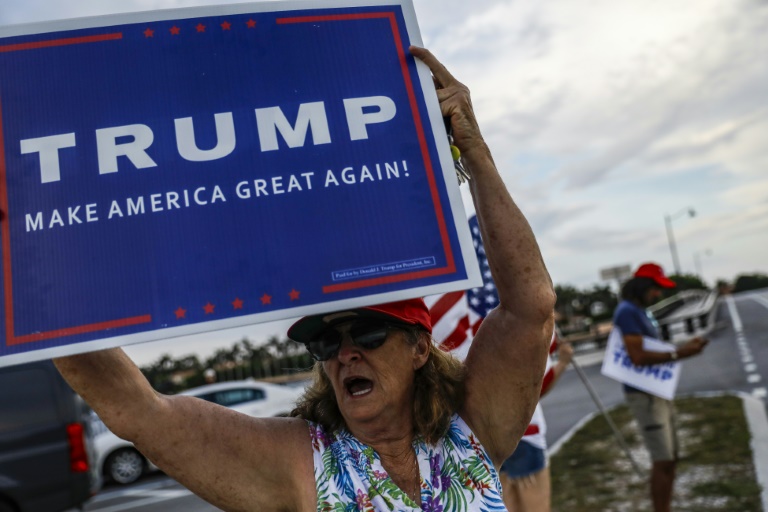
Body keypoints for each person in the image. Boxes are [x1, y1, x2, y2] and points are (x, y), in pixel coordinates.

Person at [52, 47, 556, 511]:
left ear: (420, 348)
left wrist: (475, 152)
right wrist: (31, 275)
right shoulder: (301, 461)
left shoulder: (472, 427)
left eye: (369, 333)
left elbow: (530, 306)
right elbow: (139, 412)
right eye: (324, 343)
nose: (344, 353)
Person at [614, 262, 708, 512]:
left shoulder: (640, 311)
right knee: (663, 459)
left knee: (671, 458)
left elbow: (653, 349)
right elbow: (638, 356)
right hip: (644, 396)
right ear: (643, 286)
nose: (659, 293)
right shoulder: (627, 312)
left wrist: (683, 348)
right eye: (656, 288)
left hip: (657, 392)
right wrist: (681, 354)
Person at [499, 331, 573, 512]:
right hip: (524, 432)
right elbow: (541, 384)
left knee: (505, 504)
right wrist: (563, 362)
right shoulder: (519, 318)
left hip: (486, 435)